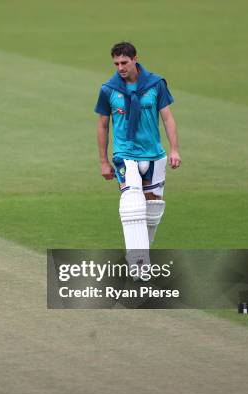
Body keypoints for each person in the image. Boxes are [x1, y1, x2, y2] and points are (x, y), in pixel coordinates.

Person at [94, 42, 181, 274]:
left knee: (152, 209)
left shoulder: (156, 84)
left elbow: (167, 118)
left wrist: (174, 149)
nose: (120, 68)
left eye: (124, 62)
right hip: (125, 154)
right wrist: (103, 161)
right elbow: (103, 126)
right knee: (132, 203)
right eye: (116, 64)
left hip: (154, 154)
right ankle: (139, 267)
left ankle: (137, 259)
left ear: (135, 59)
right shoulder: (108, 89)